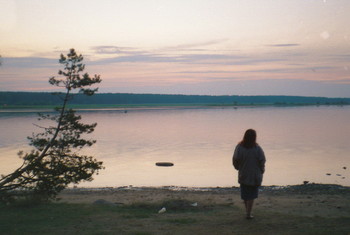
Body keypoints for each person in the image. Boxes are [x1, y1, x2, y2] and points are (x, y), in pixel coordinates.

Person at [232, 129, 266, 219]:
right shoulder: (257, 148)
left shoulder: (239, 147)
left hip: (244, 174)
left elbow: (235, 159)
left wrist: (237, 167)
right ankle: (248, 213)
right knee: (251, 195)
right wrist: (262, 169)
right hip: (254, 175)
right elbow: (262, 160)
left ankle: (248, 212)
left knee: (245, 195)